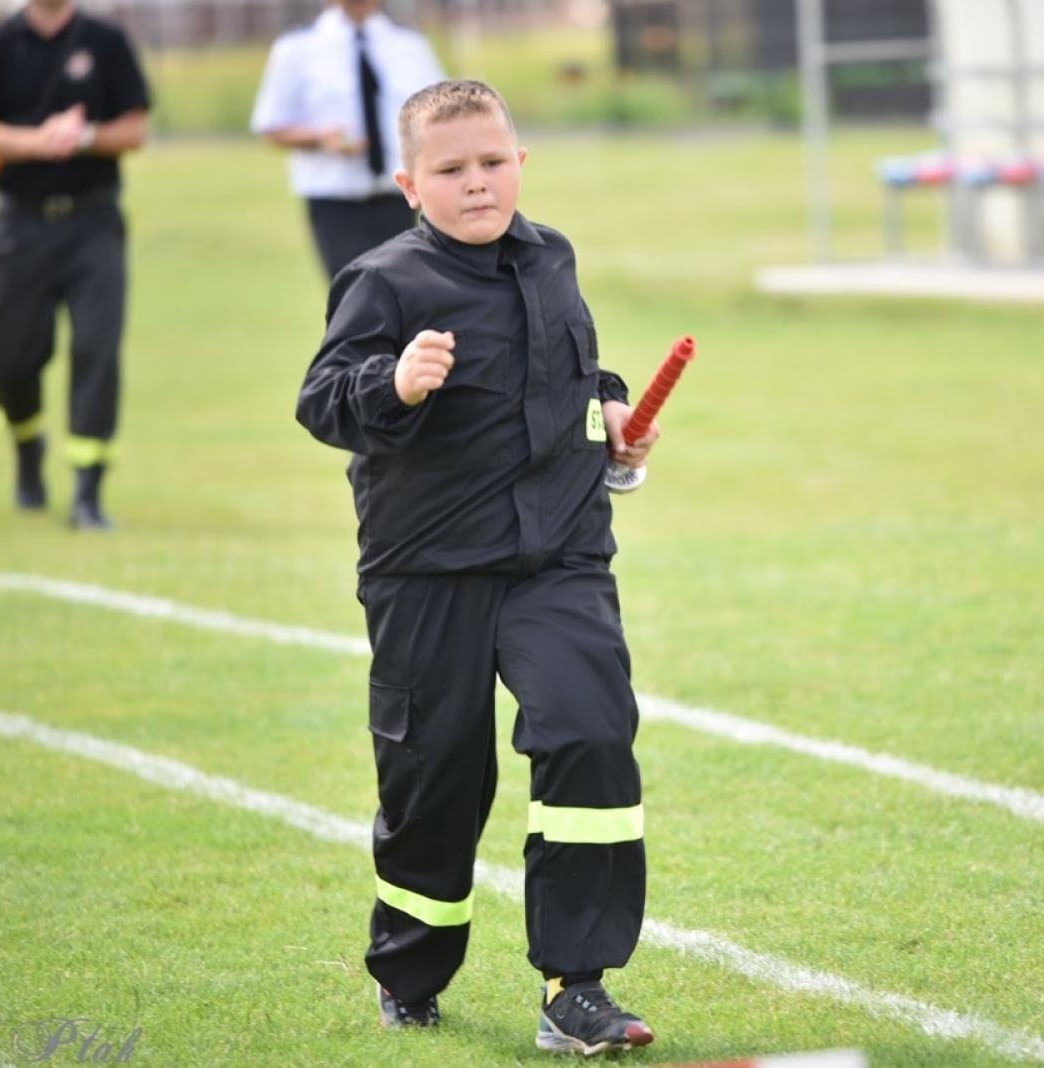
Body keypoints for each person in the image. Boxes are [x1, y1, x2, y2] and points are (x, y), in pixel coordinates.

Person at [295, 80, 661, 1055]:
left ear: (519, 164)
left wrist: (614, 414)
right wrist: (393, 380)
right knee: (436, 779)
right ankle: (410, 970)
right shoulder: (385, 282)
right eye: (450, 171)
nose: (476, 183)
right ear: (409, 183)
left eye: (492, 162)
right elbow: (322, 400)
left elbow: (568, 372)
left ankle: (574, 986)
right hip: (427, 570)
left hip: (559, 560)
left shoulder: (551, 259)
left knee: (589, 737)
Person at [0, 0, 149, 530]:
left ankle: (87, 492)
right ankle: (26, 445)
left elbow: (133, 129)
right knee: (10, 360)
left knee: (95, 349)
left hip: (94, 223)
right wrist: (36, 142)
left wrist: (82, 137)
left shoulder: (105, 40)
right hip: (21, 225)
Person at [250, 0, 445, 280]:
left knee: (407, 289)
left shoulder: (410, 45)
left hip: (401, 196)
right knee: (354, 293)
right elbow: (272, 126)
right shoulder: (297, 48)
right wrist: (318, 139)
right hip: (334, 200)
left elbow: (441, 115)